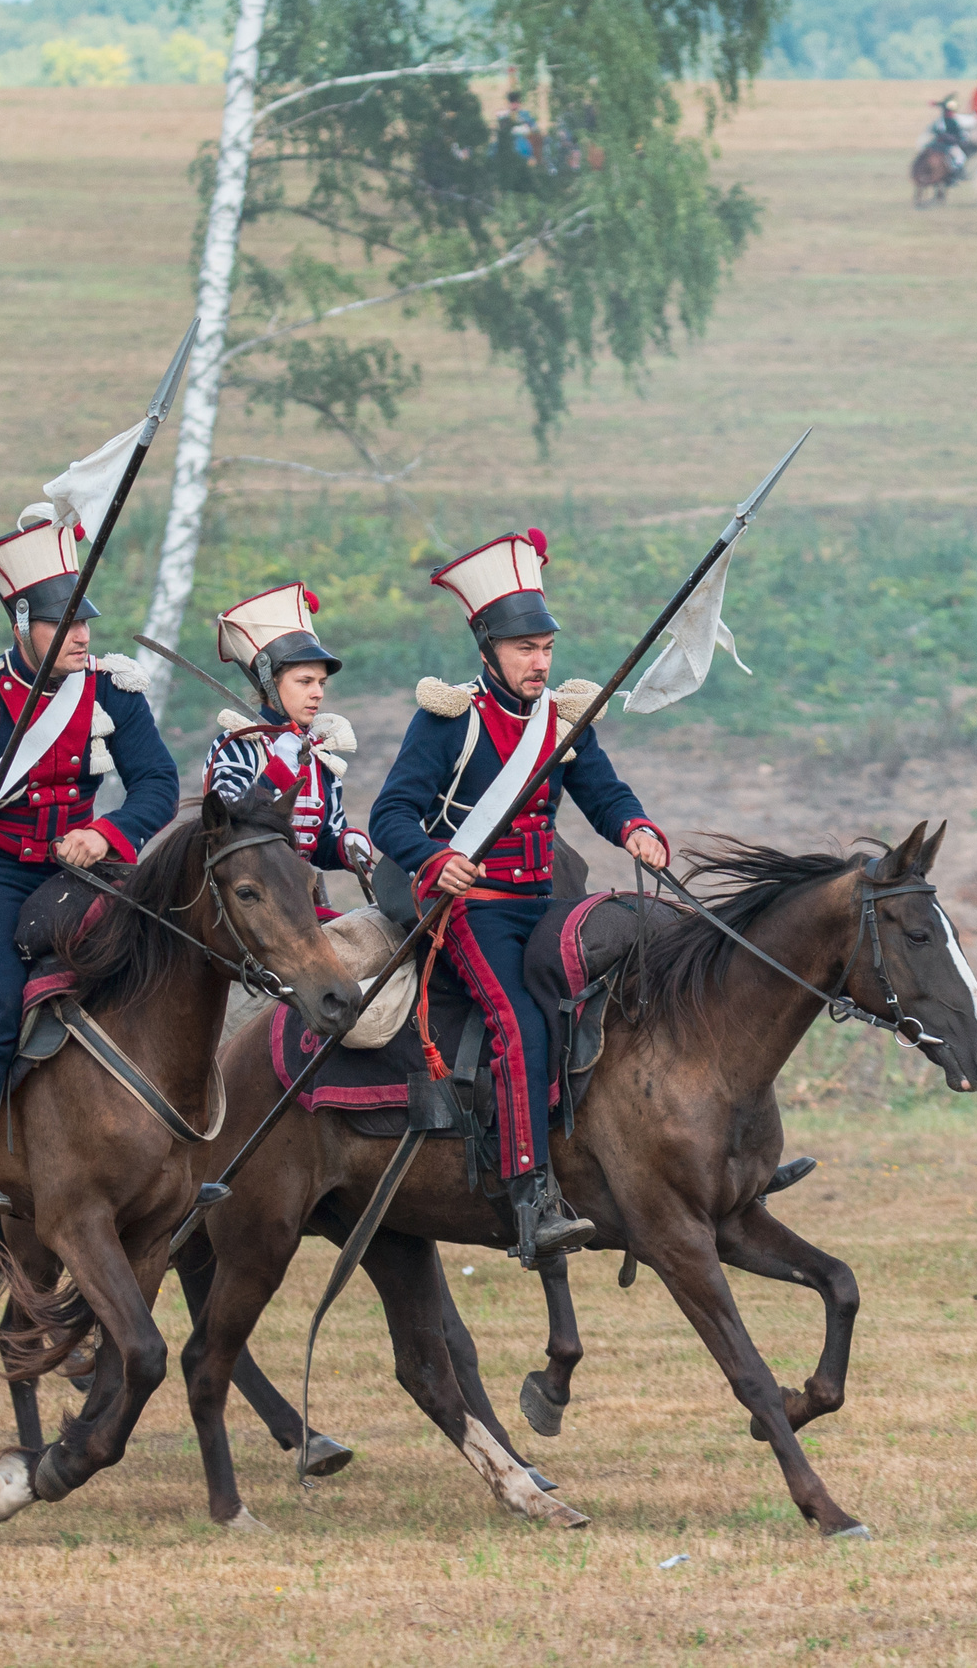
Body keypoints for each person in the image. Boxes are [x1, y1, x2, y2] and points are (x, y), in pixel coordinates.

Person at [367, 530, 669, 1266]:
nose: (540, 662)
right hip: (476, 911)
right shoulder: (446, 720)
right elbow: (390, 816)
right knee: (521, 1026)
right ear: (488, 648)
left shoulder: (564, 721)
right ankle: (530, 1196)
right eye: (525, 648)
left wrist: (635, 827)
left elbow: (604, 792)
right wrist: (437, 859)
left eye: (547, 648)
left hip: (547, 905)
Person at [0, 505, 180, 1219]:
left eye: (87, 622)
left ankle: (160, 1153)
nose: (83, 635)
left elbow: (158, 786)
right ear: (23, 626)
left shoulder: (113, 691)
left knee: (156, 968)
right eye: (65, 623)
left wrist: (110, 834)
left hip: (78, 871)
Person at [205, 582, 374, 912]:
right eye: (305, 682)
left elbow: (321, 842)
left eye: (321, 683)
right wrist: (276, 774)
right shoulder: (236, 746)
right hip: (244, 909)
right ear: (270, 682)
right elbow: (224, 826)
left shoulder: (320, 755)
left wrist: (346, 846)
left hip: (301, 902)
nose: (318, 693)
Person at [928, 94, 969, 176]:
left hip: (936, 144)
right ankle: (954, 175)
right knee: (961, 158)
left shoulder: (939, 121)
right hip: (948, 145)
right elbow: (958, 134)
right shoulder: (952, 122)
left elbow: (935, 131)